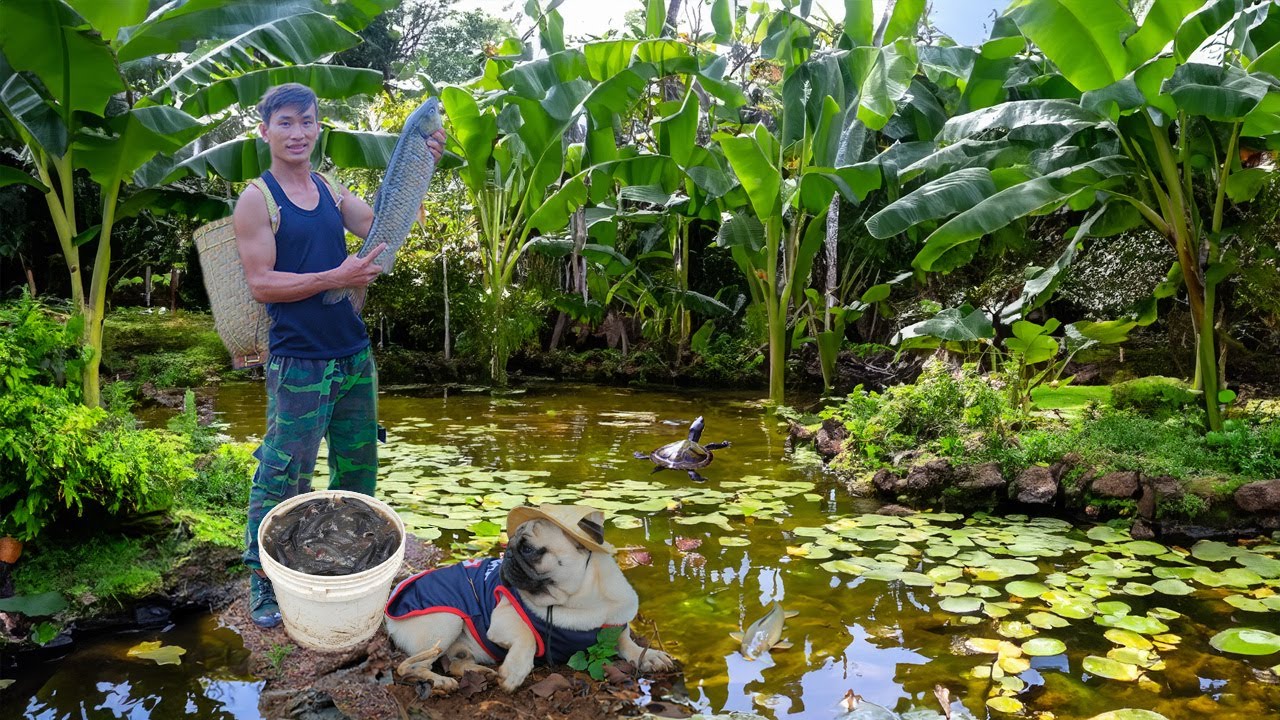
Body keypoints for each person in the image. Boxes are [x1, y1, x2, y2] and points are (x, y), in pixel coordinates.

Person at [234, 83, 446, 627]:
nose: (297, 132)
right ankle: (262, 578)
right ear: (266, 131)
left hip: (353, 355)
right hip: (299, 358)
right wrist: (337, 276)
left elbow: (377, 229)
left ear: (317, 127)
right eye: (285, 122)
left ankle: (351, 567)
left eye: (306, 122)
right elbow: (261, 283)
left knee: (358, 468)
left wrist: (419, 171)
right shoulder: (257, 199)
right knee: (284, 472)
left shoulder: (328, 188)